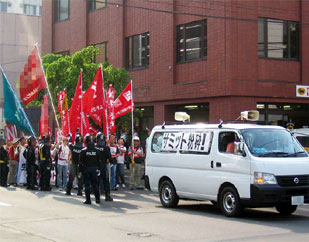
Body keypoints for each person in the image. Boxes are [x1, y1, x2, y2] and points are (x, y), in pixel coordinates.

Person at [80, 134, 101, 205]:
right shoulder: (97, 151)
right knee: (95, 184)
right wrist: (99, 169)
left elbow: (81, 162)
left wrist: (80, 171)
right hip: (95, 169)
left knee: (87, 185)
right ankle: (97, 199)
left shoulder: (83, 151)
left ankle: (88, 200)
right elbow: (99, 161)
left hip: (86, 169)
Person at [96, 132, 113, 201]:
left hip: (96, 167)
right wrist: (112, 161)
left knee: (96, 182)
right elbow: (110, 157)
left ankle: (97, 197)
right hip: (103, 166)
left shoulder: (95, 147)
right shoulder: (106, 148)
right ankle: (107, 195)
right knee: (106, 181)